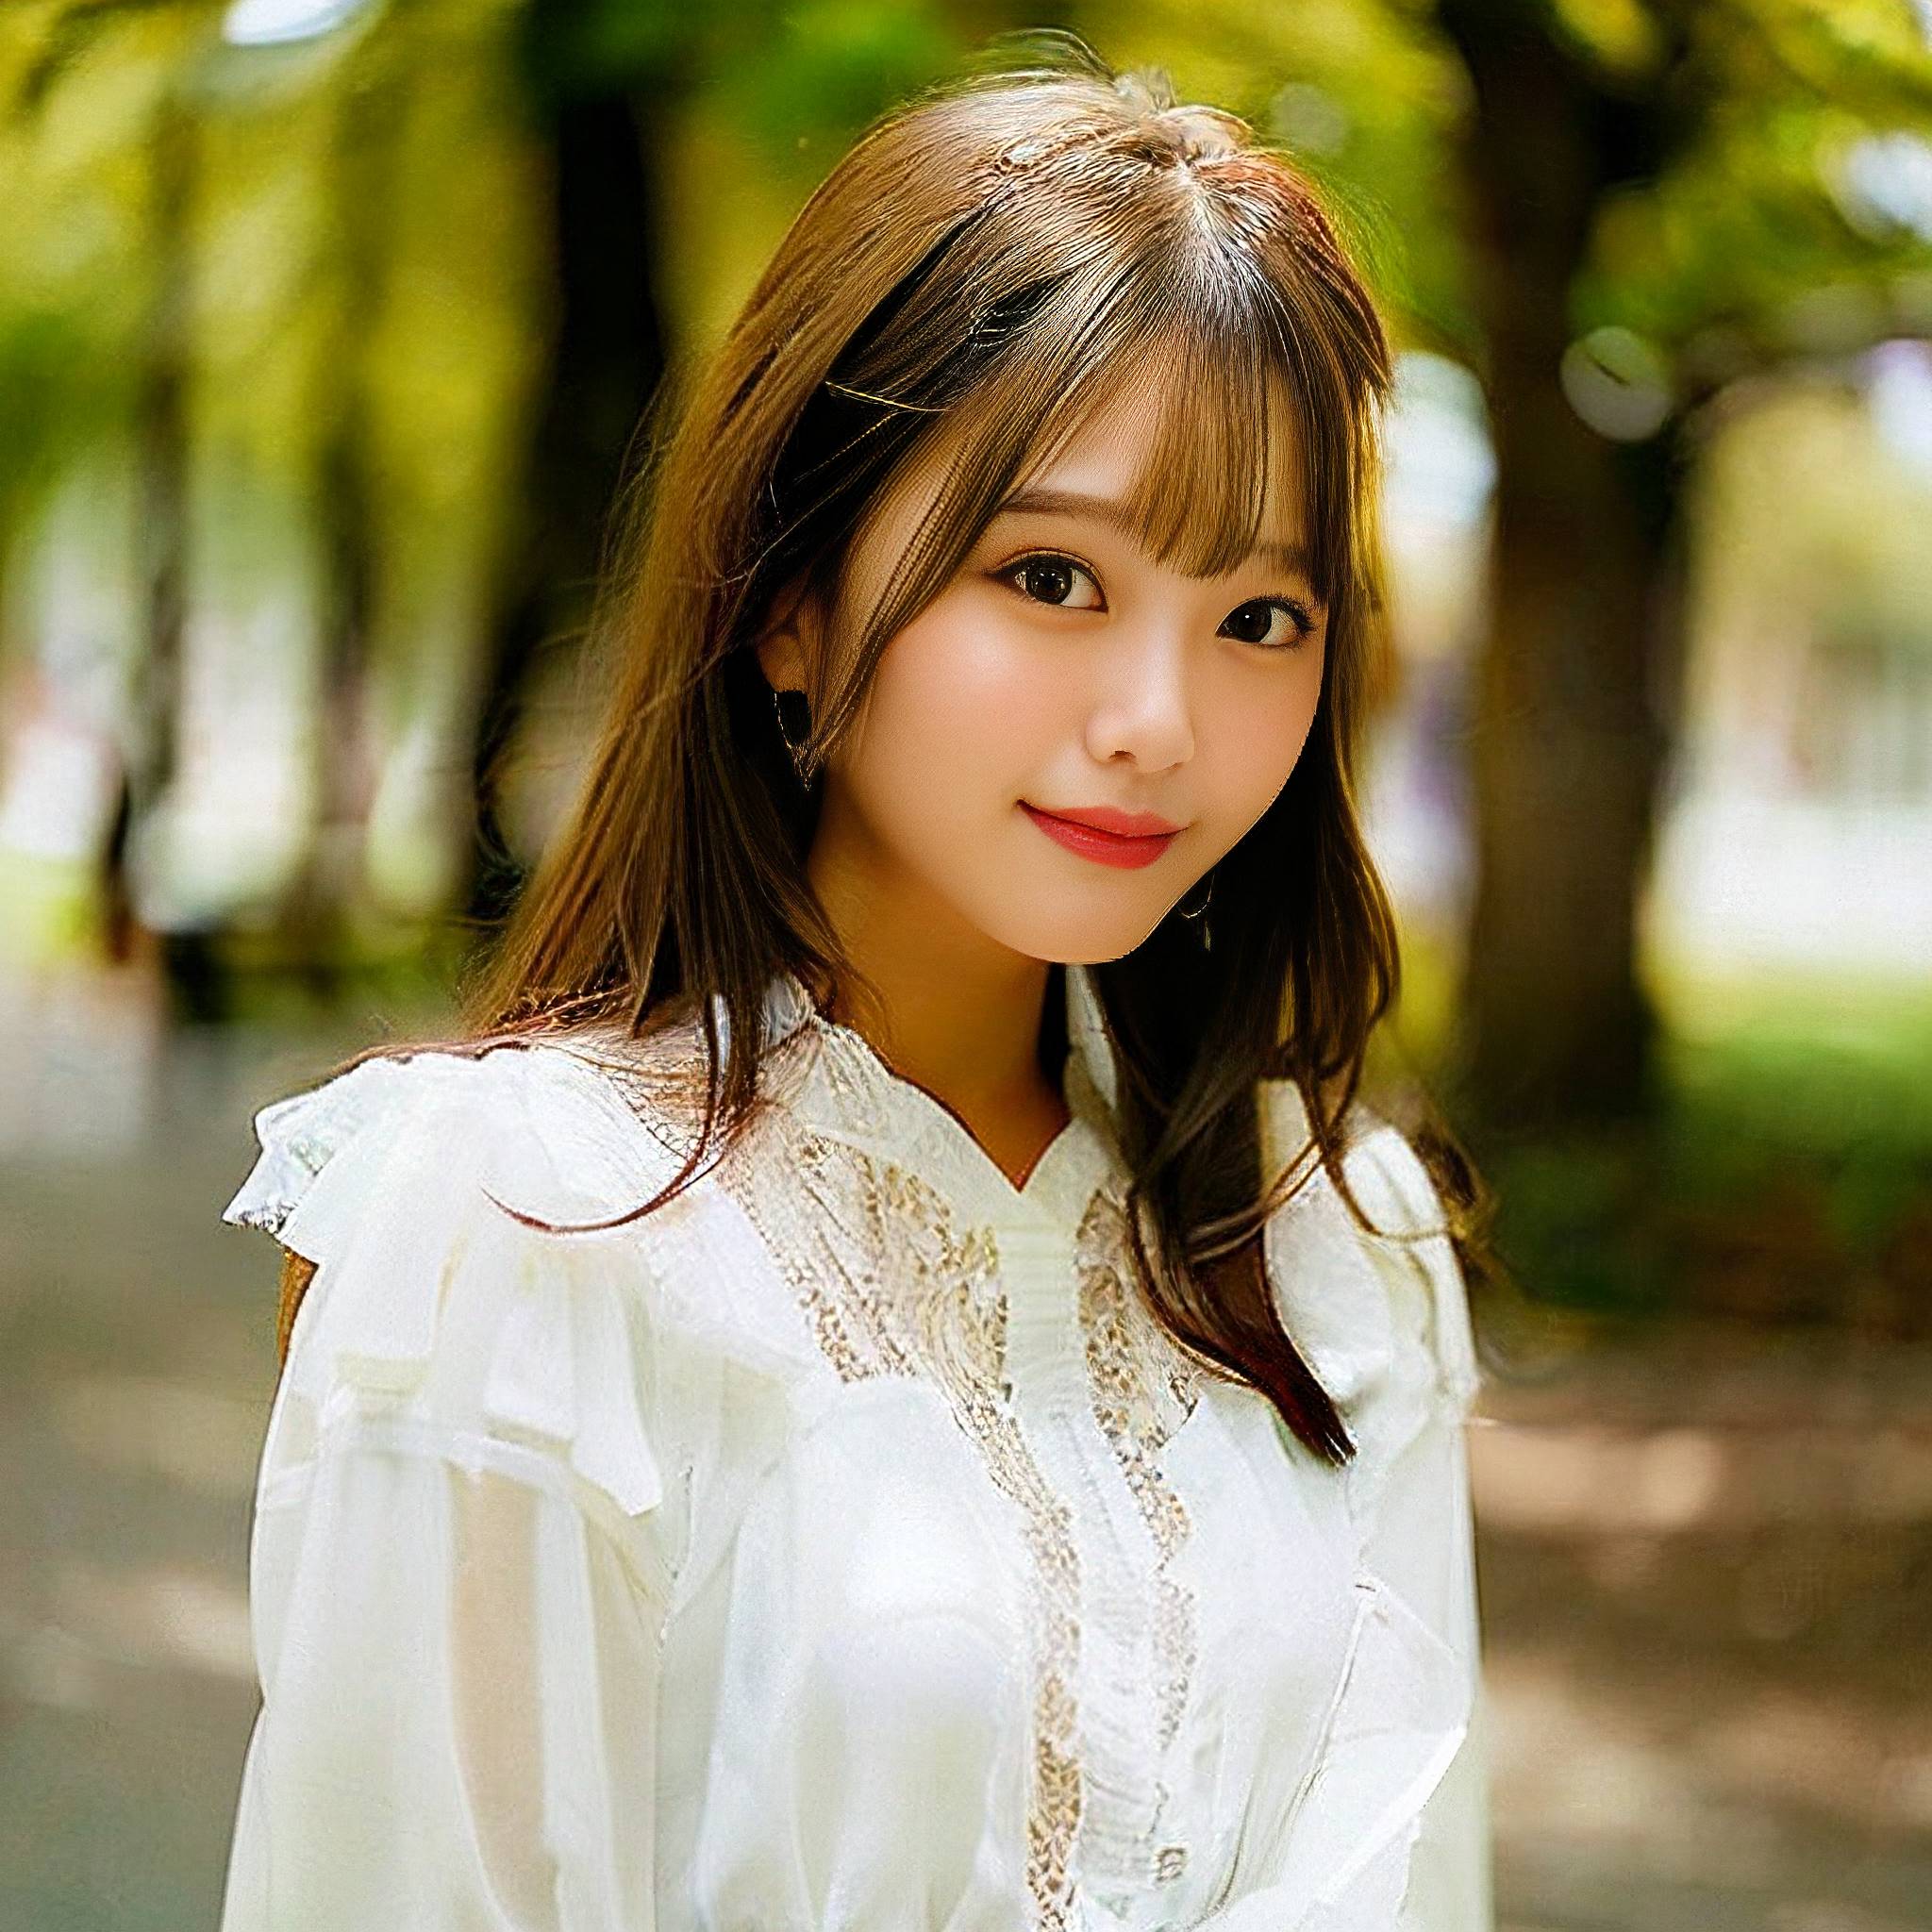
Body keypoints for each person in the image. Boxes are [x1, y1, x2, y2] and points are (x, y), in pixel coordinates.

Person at [216, 37, 1497, 1932]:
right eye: (1050, 578)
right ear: (789, 598)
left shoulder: (1329, 1245)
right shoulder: (529, 1240)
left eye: (1258, 616)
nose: (1157, 723)